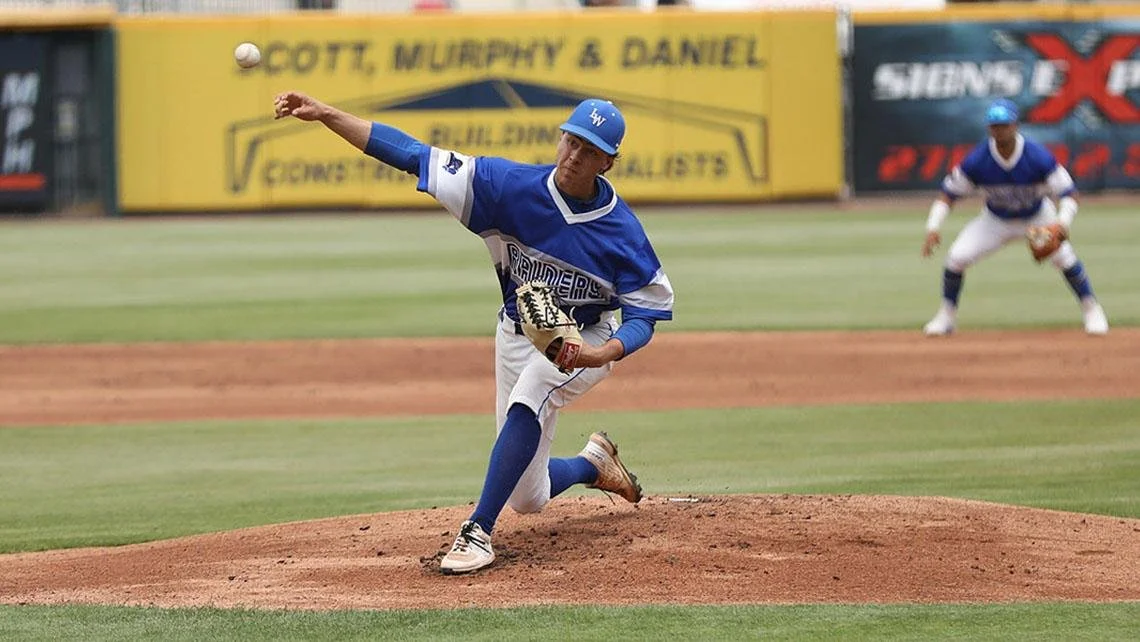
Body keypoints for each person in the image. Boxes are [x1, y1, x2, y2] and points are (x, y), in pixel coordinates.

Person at [273, 91, 674, 574]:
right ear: (559, 138)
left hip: (586, 338)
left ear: (607, 162)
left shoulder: (622, 233)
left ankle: (477, 531)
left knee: (533, 392)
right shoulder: (505, 187)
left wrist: (600, 353)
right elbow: (411, 154)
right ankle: (594, 464)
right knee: (528, 496)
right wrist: (328, 114)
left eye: (590, 151)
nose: (574, 156)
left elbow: (645, 316)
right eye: (571, 141)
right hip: (516, 333)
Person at [920, 98, 1108, 336]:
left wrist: (1061, 223)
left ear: (1016, 125)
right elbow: (948, 194)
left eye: (1005, 125)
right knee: (956, 259)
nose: (1000, 130)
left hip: (1037, 215)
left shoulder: (1037, 156)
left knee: (1065, 258)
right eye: (995, 126)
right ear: (989, 128)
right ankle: (946, 316)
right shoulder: (978, 160)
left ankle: (1092, 309)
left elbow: (1069, 193)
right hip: (995, 220)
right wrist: (933, 226)